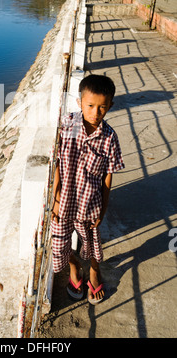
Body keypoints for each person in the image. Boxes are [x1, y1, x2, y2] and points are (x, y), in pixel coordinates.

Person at [51, 74, 125, 304]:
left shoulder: (109, 138)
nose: (95, 113)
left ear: (110, 106)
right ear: (79, 102)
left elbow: (107, 178)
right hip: (63, 204)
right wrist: (54, 197)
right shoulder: (66, 125)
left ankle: (94, 270)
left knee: (92, 246)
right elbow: (56, 163)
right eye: (90, 106)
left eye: (102, 108)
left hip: (89, 205)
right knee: (58, 245)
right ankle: (74, 267)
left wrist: (103, 209)